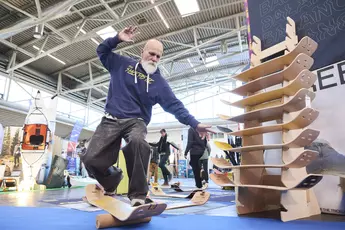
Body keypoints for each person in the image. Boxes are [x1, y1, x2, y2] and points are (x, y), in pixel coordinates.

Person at [80, 25, 213, 207]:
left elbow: (175, 106)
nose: (154, 58)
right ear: (142, 52)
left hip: (136, 122)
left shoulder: (158, 82)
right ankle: (112, 180)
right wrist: (117, 39)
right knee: (90, 159)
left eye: (158, 56)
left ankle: (138, 194)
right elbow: (101, 51)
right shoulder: (122, 64)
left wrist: (195, 124)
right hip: (110, 119)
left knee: (138, 143)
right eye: (151, 53)